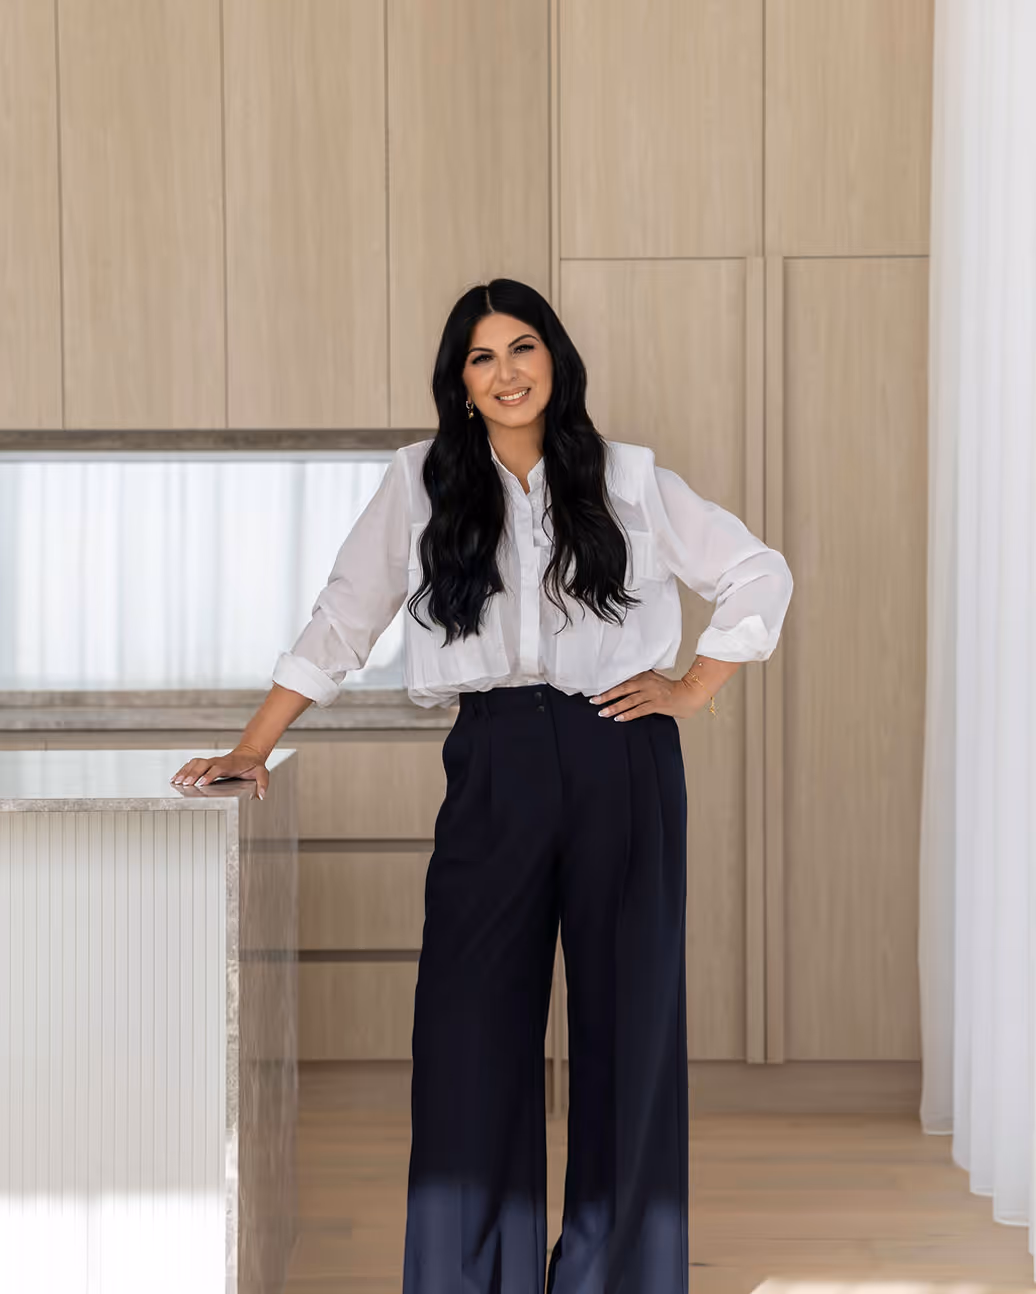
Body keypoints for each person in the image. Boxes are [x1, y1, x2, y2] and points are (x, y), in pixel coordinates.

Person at [171, 277, 793, 1292]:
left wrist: (690, 687)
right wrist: (253, 744)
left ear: (555, 360)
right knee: (467, 1034)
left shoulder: (627, 478)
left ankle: (613, 1276)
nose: (505, 372)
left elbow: (760, 572)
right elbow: (343, 619)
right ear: (459, 382)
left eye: (521, 348)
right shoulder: (420, 482)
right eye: (480, 356)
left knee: (625, 1028)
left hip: (619, 753)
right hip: (492, 757)